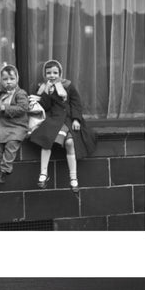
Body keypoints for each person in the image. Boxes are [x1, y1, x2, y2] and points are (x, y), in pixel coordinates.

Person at [29, 59, 96, 192]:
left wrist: (77, 119)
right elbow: (45, 106)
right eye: (48, 73)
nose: (52, 75)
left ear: (60, 73)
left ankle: (73, 178)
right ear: (45, 74)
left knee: (70, 143)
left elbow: (76, 103)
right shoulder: (43, 87)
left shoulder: (68, 86)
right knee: (46, 141)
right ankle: (43, 173)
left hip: (68, 119)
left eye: (55, 72)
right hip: (53, 119)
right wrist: (46, 92)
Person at [0, 64, 29, 184]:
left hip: (17, 125)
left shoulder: (20, 93)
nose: (8, 82)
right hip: (1, 123)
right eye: (5, 79)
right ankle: (1, 162)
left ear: (17, 79)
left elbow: (23, 108)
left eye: (11, 79)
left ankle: (5, 169)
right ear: (1, 80)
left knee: (12, 143)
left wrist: (5, 107)